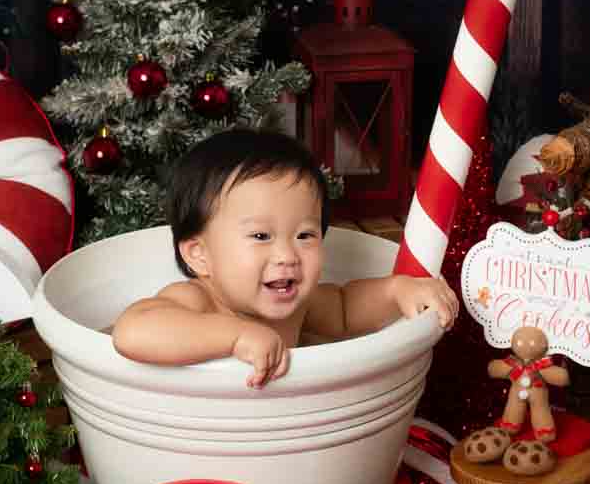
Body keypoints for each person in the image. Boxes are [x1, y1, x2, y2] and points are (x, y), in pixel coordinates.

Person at [112, 129, 459, 388]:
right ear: (200, 257)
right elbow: (132, 331)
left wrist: (397, 290)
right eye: (261, 236)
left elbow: (345, 308)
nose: (287, 255)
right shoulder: (197, 300)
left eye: (305, 235)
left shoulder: (298, 307)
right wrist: (235, 336)